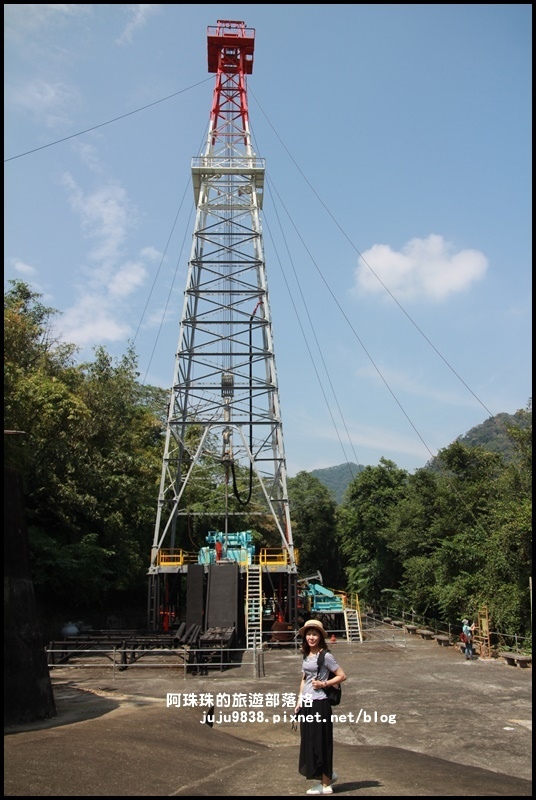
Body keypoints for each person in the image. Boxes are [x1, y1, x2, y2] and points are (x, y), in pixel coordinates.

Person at [295, 619, 346, 795]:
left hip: (321, 703)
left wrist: (324, 684)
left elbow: (342, 675)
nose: (311, 637)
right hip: (308, 704)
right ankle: (325, 776)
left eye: (314, 634)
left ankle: (325, 784)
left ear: (320, 637)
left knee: (322, 743)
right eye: (309, 634)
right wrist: (299, 700)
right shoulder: (306, 655)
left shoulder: (325, 656)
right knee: (310, 744)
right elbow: (304, 679)